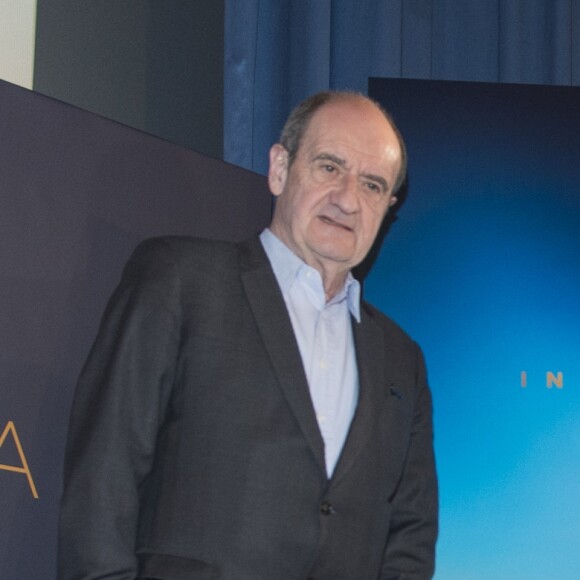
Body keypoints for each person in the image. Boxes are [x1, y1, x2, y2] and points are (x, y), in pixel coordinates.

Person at [58, 91, 438, 579]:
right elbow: (103, 478)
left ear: (388, 208)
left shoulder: (402, 358)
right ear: (280, 168)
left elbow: (411, 535)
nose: (347, 199)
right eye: (329, 167)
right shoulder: (179, 280)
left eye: (371, 184)